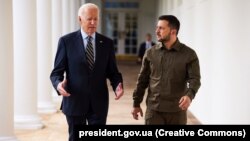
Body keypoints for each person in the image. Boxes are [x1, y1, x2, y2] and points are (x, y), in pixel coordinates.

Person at [50, 3, 124, 141]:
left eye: (96, 19)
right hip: (74, 101)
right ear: (80, 19)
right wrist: (58, 85)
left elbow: (113, 72)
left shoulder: (107, 43)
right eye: (89, 19)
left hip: (99, 103)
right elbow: (56, 72)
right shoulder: (66, 41)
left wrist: (118, 84)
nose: (93, 22)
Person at [131, 15, 201, 125]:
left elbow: (195, 79)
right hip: (154, 111)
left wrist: (189, 95)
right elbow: (142, 80)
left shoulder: (189, 54)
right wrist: (136, 103)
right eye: (157, 27)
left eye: (161, 28)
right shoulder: (150, 53)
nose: (157, 31)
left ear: (173, 32)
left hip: (177, 112)